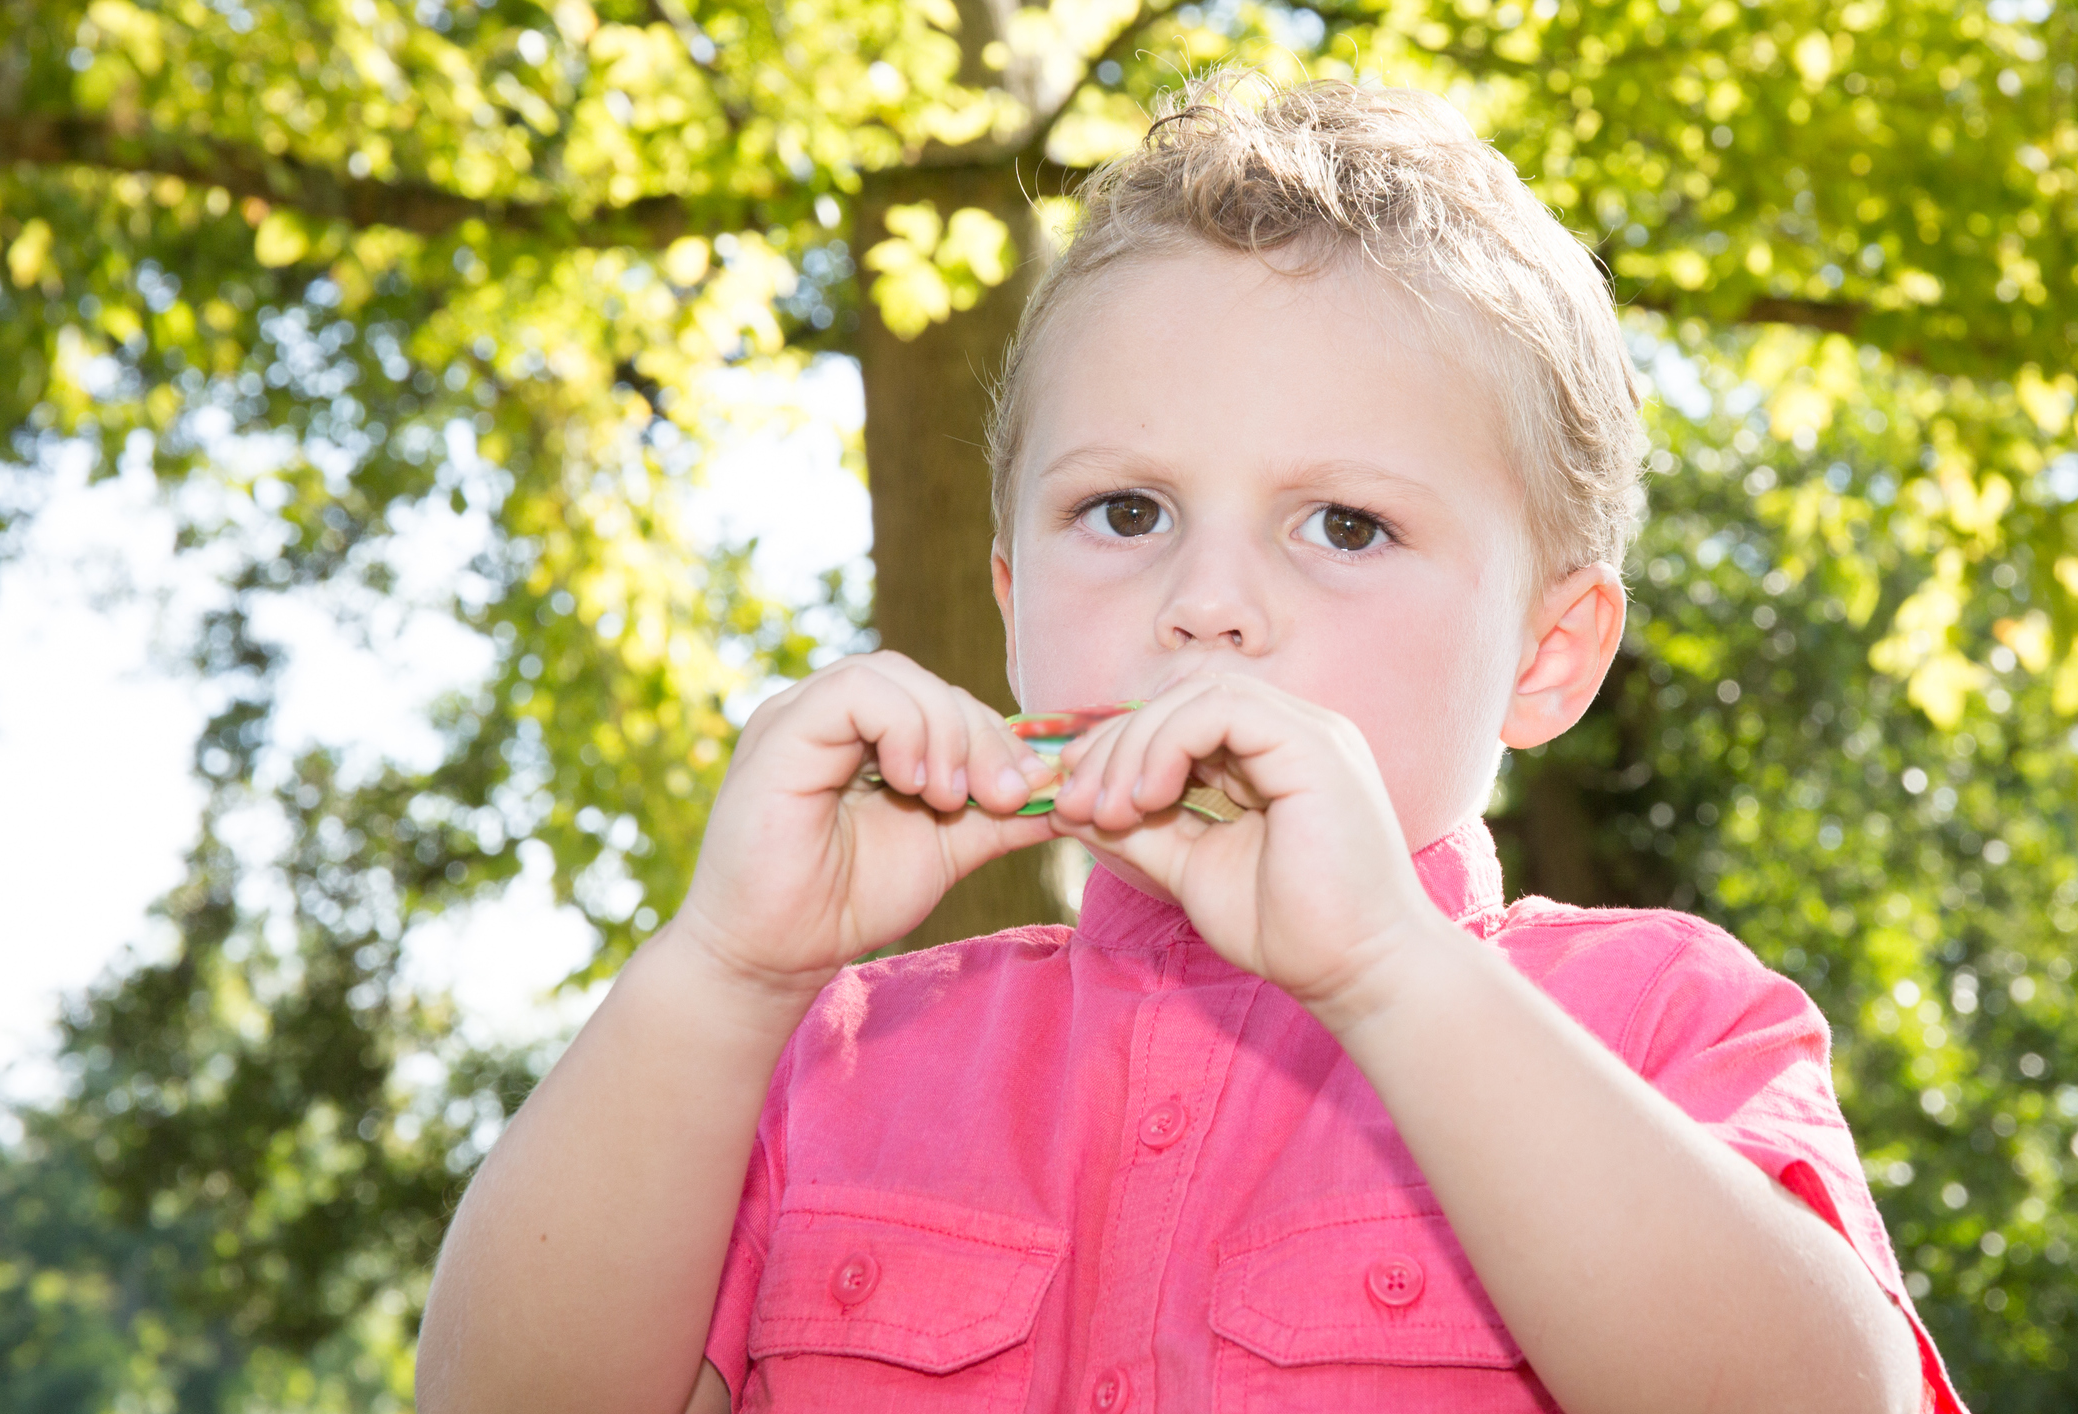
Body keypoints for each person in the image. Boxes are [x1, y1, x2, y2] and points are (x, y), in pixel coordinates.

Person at [415, 74, 1966, 1414]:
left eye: (1345, 524)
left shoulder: (1654, 1023)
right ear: (1013, 599)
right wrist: (723, 972)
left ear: (1546, 656)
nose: (1205, 603)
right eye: (1127, 512)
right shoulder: (820, 1065)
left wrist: (1387, 968)